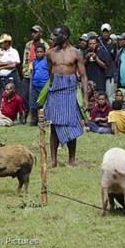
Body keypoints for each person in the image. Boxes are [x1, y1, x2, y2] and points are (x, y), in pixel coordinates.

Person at [44, 25, 88, 167]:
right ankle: (53, 160)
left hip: (70, 91)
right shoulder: (50, 54)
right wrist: (45, 96)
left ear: (65, 36)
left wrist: (85, 97)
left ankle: (72, 159)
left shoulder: (76, 53)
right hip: (55, 91)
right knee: (54, 125)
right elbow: (49, 75)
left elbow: (83, 76)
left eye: (56, 35)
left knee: (71, 123)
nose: (53, 38)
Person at [22, 26, 50, 121]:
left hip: (41, 76)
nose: (33, 34)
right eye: (32, 32)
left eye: (36, 32)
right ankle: (27, 117)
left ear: (40, 33)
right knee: (26, 96)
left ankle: (42, 117)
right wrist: (24, 69)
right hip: (29, 74)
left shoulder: (45, 45)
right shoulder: (28, 44)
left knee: (42, 98)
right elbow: (25, 58)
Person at [0, 34, 20, 105]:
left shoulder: (14, 51)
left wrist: (1, 66)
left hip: (10, 76)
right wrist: (7, 63)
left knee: (12, 96)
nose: (1, 44)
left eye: (3, 42)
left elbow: (14, 65)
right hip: (0, 77)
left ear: (7, 42)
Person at [29, 43, 49, 126]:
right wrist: (31, 85)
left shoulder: (47, 61)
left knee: (44, 104)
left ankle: (44, 120)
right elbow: (32, 73)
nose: (39, 53)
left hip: (44, 86)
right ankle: (34, 120)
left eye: (41, 52)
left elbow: (50, 72)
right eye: (38, 52)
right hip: (35, 85)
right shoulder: (34, 62)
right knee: (33, 104)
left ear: (44, 52)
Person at [99, 23, 117, 100]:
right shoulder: (97, 42)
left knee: (110, 96)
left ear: (110, 32)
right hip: (99, 74)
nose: (105, 34)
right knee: (99, 96)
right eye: (104, 32)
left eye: (107, 32)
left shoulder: (113, 44)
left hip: (109, 74)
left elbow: (114, 58)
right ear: (101, 32)